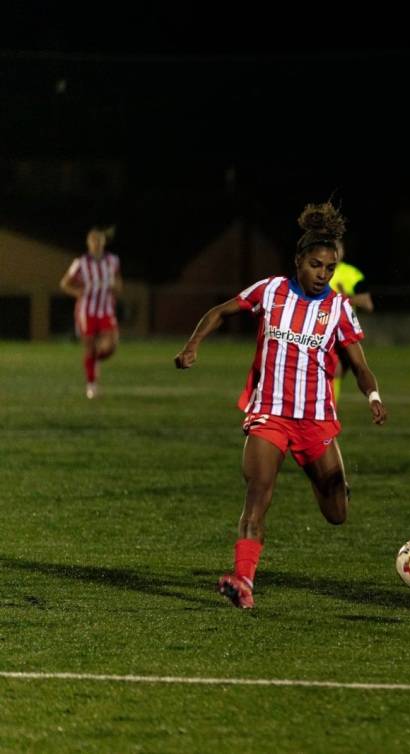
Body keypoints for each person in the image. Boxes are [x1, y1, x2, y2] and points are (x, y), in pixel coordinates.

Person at [174, 198, 388, 610]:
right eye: (315, 266)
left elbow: (359, 365)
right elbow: (221, 310)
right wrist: (192, 345)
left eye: (329, 268)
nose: (322, 275)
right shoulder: (270, 291)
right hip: (269, 415)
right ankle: (243, 581)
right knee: (258, 492)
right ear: (298, 261)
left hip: (316, 422)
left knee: (337, 512)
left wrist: (374, 396)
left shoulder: (340, 308)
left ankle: (321, 474)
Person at [60, 225, 122, 399]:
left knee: (111, 346)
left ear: (104, 241)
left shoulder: (112, 261)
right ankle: (92, 384)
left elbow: (118, 281)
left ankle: (95, 361)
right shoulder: (80, 263)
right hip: (86, 310)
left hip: (106, 308)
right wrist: (77, 292)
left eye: (99, 239)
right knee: (89, 347)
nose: (96, 242)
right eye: (93, 239)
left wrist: (116, 287)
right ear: (88, 242)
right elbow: (64, 284)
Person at [329, 237, 375, 402]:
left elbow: (368, 304)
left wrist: (347, 297)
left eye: (338, 248)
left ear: (343, 251)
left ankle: (329, 410)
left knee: (336, 370)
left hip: (342, 331)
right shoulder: (318, 271)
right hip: (317, 329)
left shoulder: (352, 275)